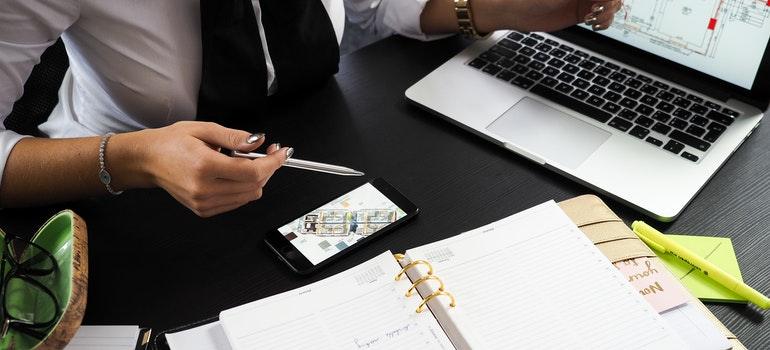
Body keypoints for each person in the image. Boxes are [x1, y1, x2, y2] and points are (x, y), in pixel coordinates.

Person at [0, 0, 622, 217]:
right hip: (130, 200)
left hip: (319, 140)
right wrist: (132, 158)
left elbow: (372, 9)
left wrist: (496, 8)